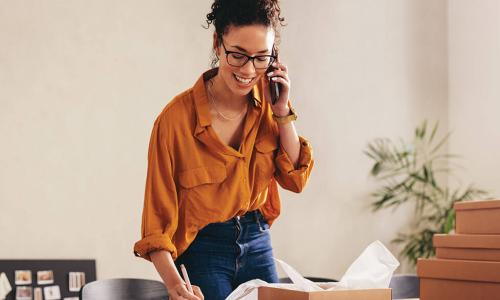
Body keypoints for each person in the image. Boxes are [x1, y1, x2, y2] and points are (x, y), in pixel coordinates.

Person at [133, 0, 314, 299]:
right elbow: (156, 223)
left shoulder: (271, 103)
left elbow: (295, 179)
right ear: (217, 43)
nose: (248, 70)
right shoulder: (175, 121)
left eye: (261, 58)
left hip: (257, 238)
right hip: (203, 248)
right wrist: (174, 283)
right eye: (238, 55)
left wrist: (282, 111)